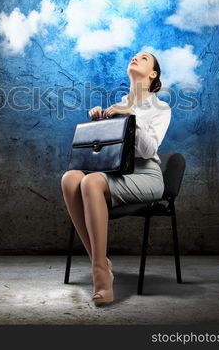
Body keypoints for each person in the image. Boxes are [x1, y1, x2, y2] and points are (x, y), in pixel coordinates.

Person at [60, 50, 172, 306]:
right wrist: (100, 126)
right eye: (135, 56)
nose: (136, 58)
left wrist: (129, 115)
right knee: (70, 178)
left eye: (144, 58)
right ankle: (100, 261)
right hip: (117, 172)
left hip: (147, 175)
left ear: (153, 73)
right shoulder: (118, 103)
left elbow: (147, 150)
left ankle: (100, 275)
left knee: (90, 181)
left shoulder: (160, 107)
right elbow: (108, 153)